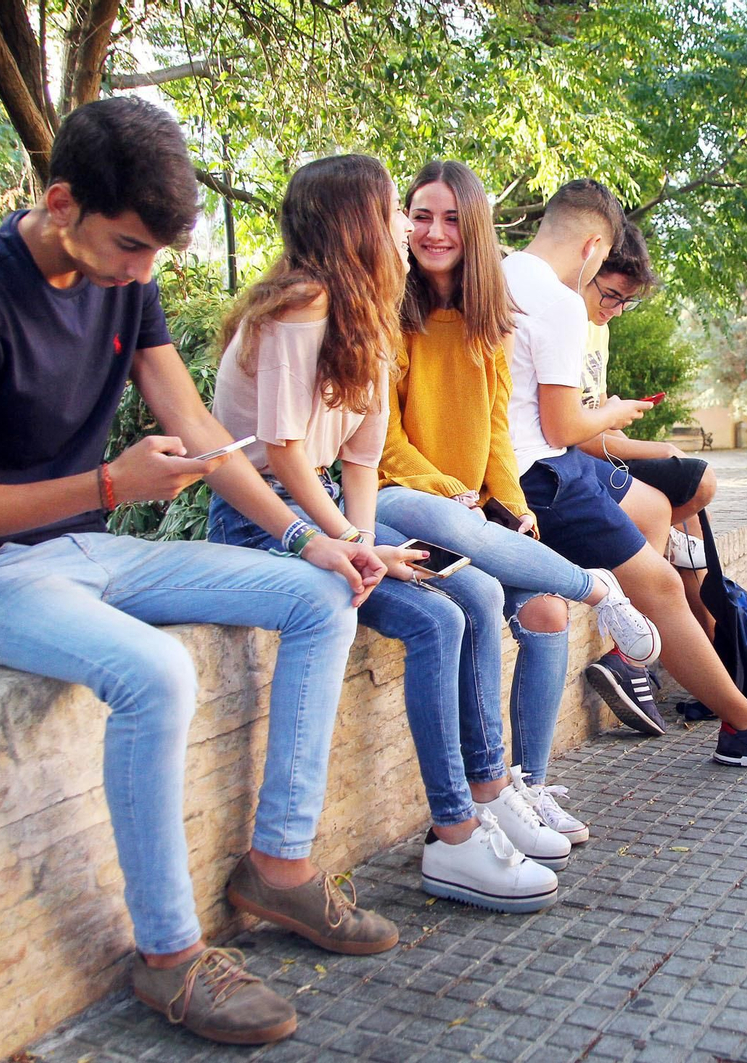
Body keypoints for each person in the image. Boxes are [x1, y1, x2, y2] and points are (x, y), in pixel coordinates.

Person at [0, 99, 392, 1046]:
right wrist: (110, 483)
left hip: (92, 549)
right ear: (61, 200)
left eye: (158, 253)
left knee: (322, 596)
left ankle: (277, 870)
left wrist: (305, 539)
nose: (141, 272)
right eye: (127, 246)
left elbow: (200, 428)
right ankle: (168, 959)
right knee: (157, 674)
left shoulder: (126, 275)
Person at [207, 154, 582, 916]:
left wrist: (362, 539)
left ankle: (467, 818)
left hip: (329, 510)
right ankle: (456, 827)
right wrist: (349, 541)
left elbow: (361, 458)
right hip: (264, 519)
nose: (406, 228)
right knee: (446, 594)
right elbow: (280, 452)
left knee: (458, 601)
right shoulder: (299, 305)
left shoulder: (372, 317)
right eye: (393, 213)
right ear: (355, 225)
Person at [373, 159, 661, 850]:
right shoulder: (394, 313)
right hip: (405, 502)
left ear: (472, 226)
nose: (432, 231)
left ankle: (526, 784)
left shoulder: (487, 315)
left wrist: (509, 502)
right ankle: (597, 587)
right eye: (421, 215)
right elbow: (383, 443)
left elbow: (498, 426)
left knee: (541, 610)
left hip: (475, 506)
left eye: (449, 217)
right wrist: (452, 492)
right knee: (475, 583)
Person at [504, 178, 747, 768]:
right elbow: (560, 428)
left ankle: (660, 661)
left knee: (654, 514)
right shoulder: (555, 302)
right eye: (604, 263)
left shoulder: (502, 276)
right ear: (593, 246)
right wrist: (614, 412)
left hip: (532, 466)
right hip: (542, 477)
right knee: (657, 586)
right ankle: (743, 726)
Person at [574, 219, 719, 735]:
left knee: (695, 498)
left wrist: (613, 416)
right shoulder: (562, 317)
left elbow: (591, 414)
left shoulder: (598, 324)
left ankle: (713, 658)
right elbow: (573, 430)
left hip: (589, 450)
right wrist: (642, 440)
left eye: (623, 303)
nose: (613, 309)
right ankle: (633, 656)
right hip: (562, 463)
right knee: (676, 497)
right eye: (609, 295)